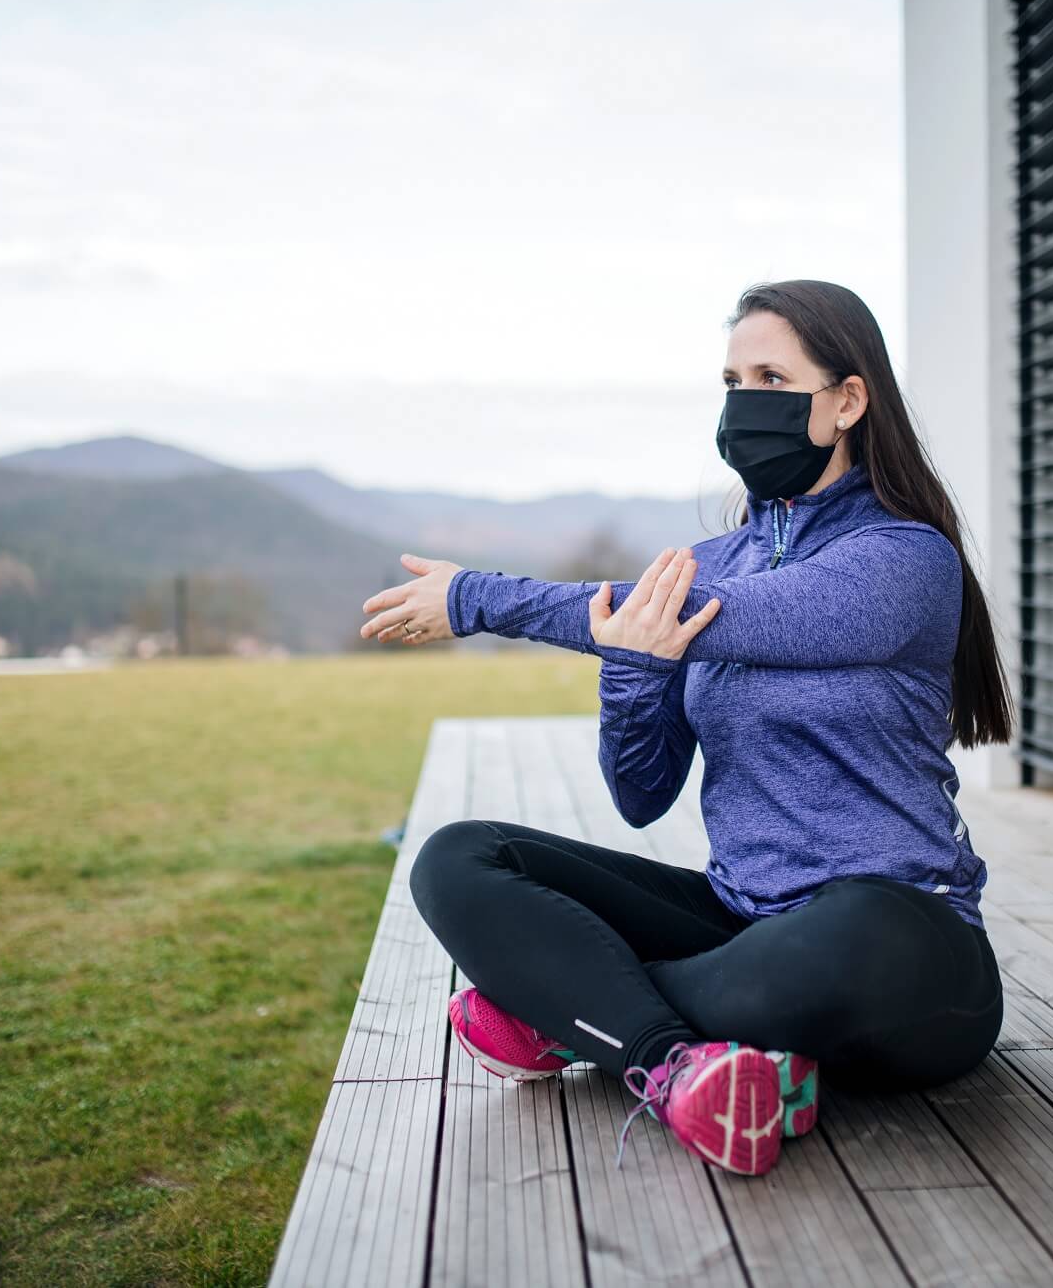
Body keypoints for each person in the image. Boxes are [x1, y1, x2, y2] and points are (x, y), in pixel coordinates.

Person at [357, 279, 1014, 1178]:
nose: (745, 402)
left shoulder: (903, 558)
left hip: (902, 945)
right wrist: (635, 663)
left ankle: (581, 1015)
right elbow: (641, 794)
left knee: (844, 939)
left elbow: (722, 616)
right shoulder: (705, 564)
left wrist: (477, 598)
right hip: (739, 921)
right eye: (732, 378)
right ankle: (678, 1063)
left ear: (847, 402)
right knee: (460, 855)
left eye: (772, 377)